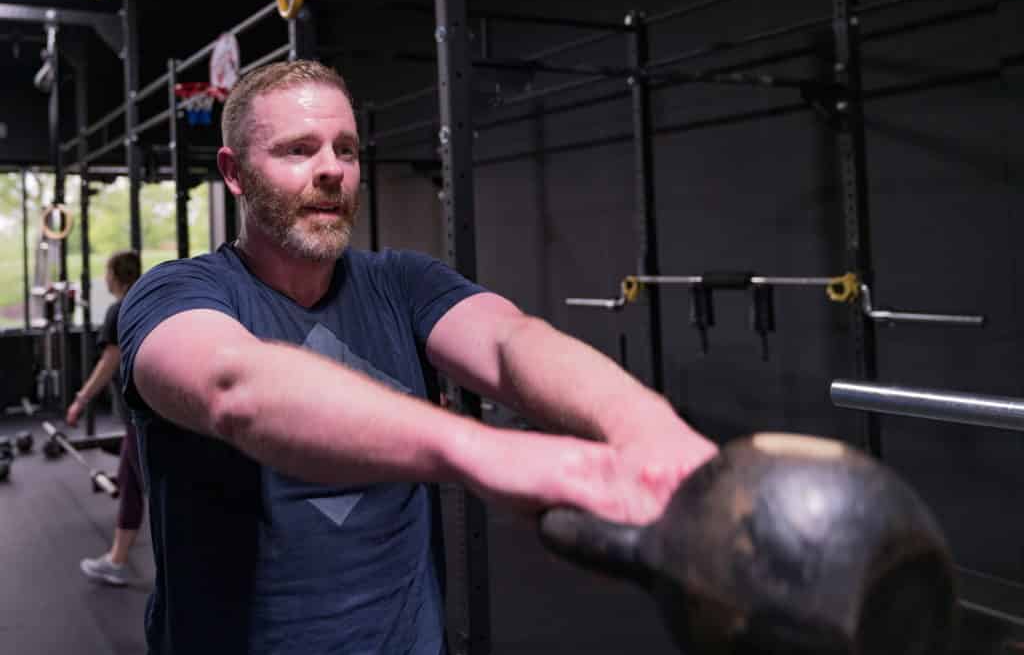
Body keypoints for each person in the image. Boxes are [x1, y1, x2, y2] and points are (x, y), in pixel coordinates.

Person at [118, 59, 718, 655]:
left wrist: (648, 429)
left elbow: (513, 342)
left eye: (346, 150)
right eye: (299, 149)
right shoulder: (177, 294)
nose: (332, 170)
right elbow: (234, 388)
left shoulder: (402, 283)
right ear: (236, 172)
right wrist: (487, 454)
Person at [66, 249, 145, 586]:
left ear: (115, 275)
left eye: (106, 271)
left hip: (141, 416)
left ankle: (117, 561)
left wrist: (80, 400)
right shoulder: (147, 301)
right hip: (151, 413)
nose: (104, 277)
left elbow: (109, 362)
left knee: (142, 486)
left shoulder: (118, 310)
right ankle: (116, 558)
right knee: (132, 484)